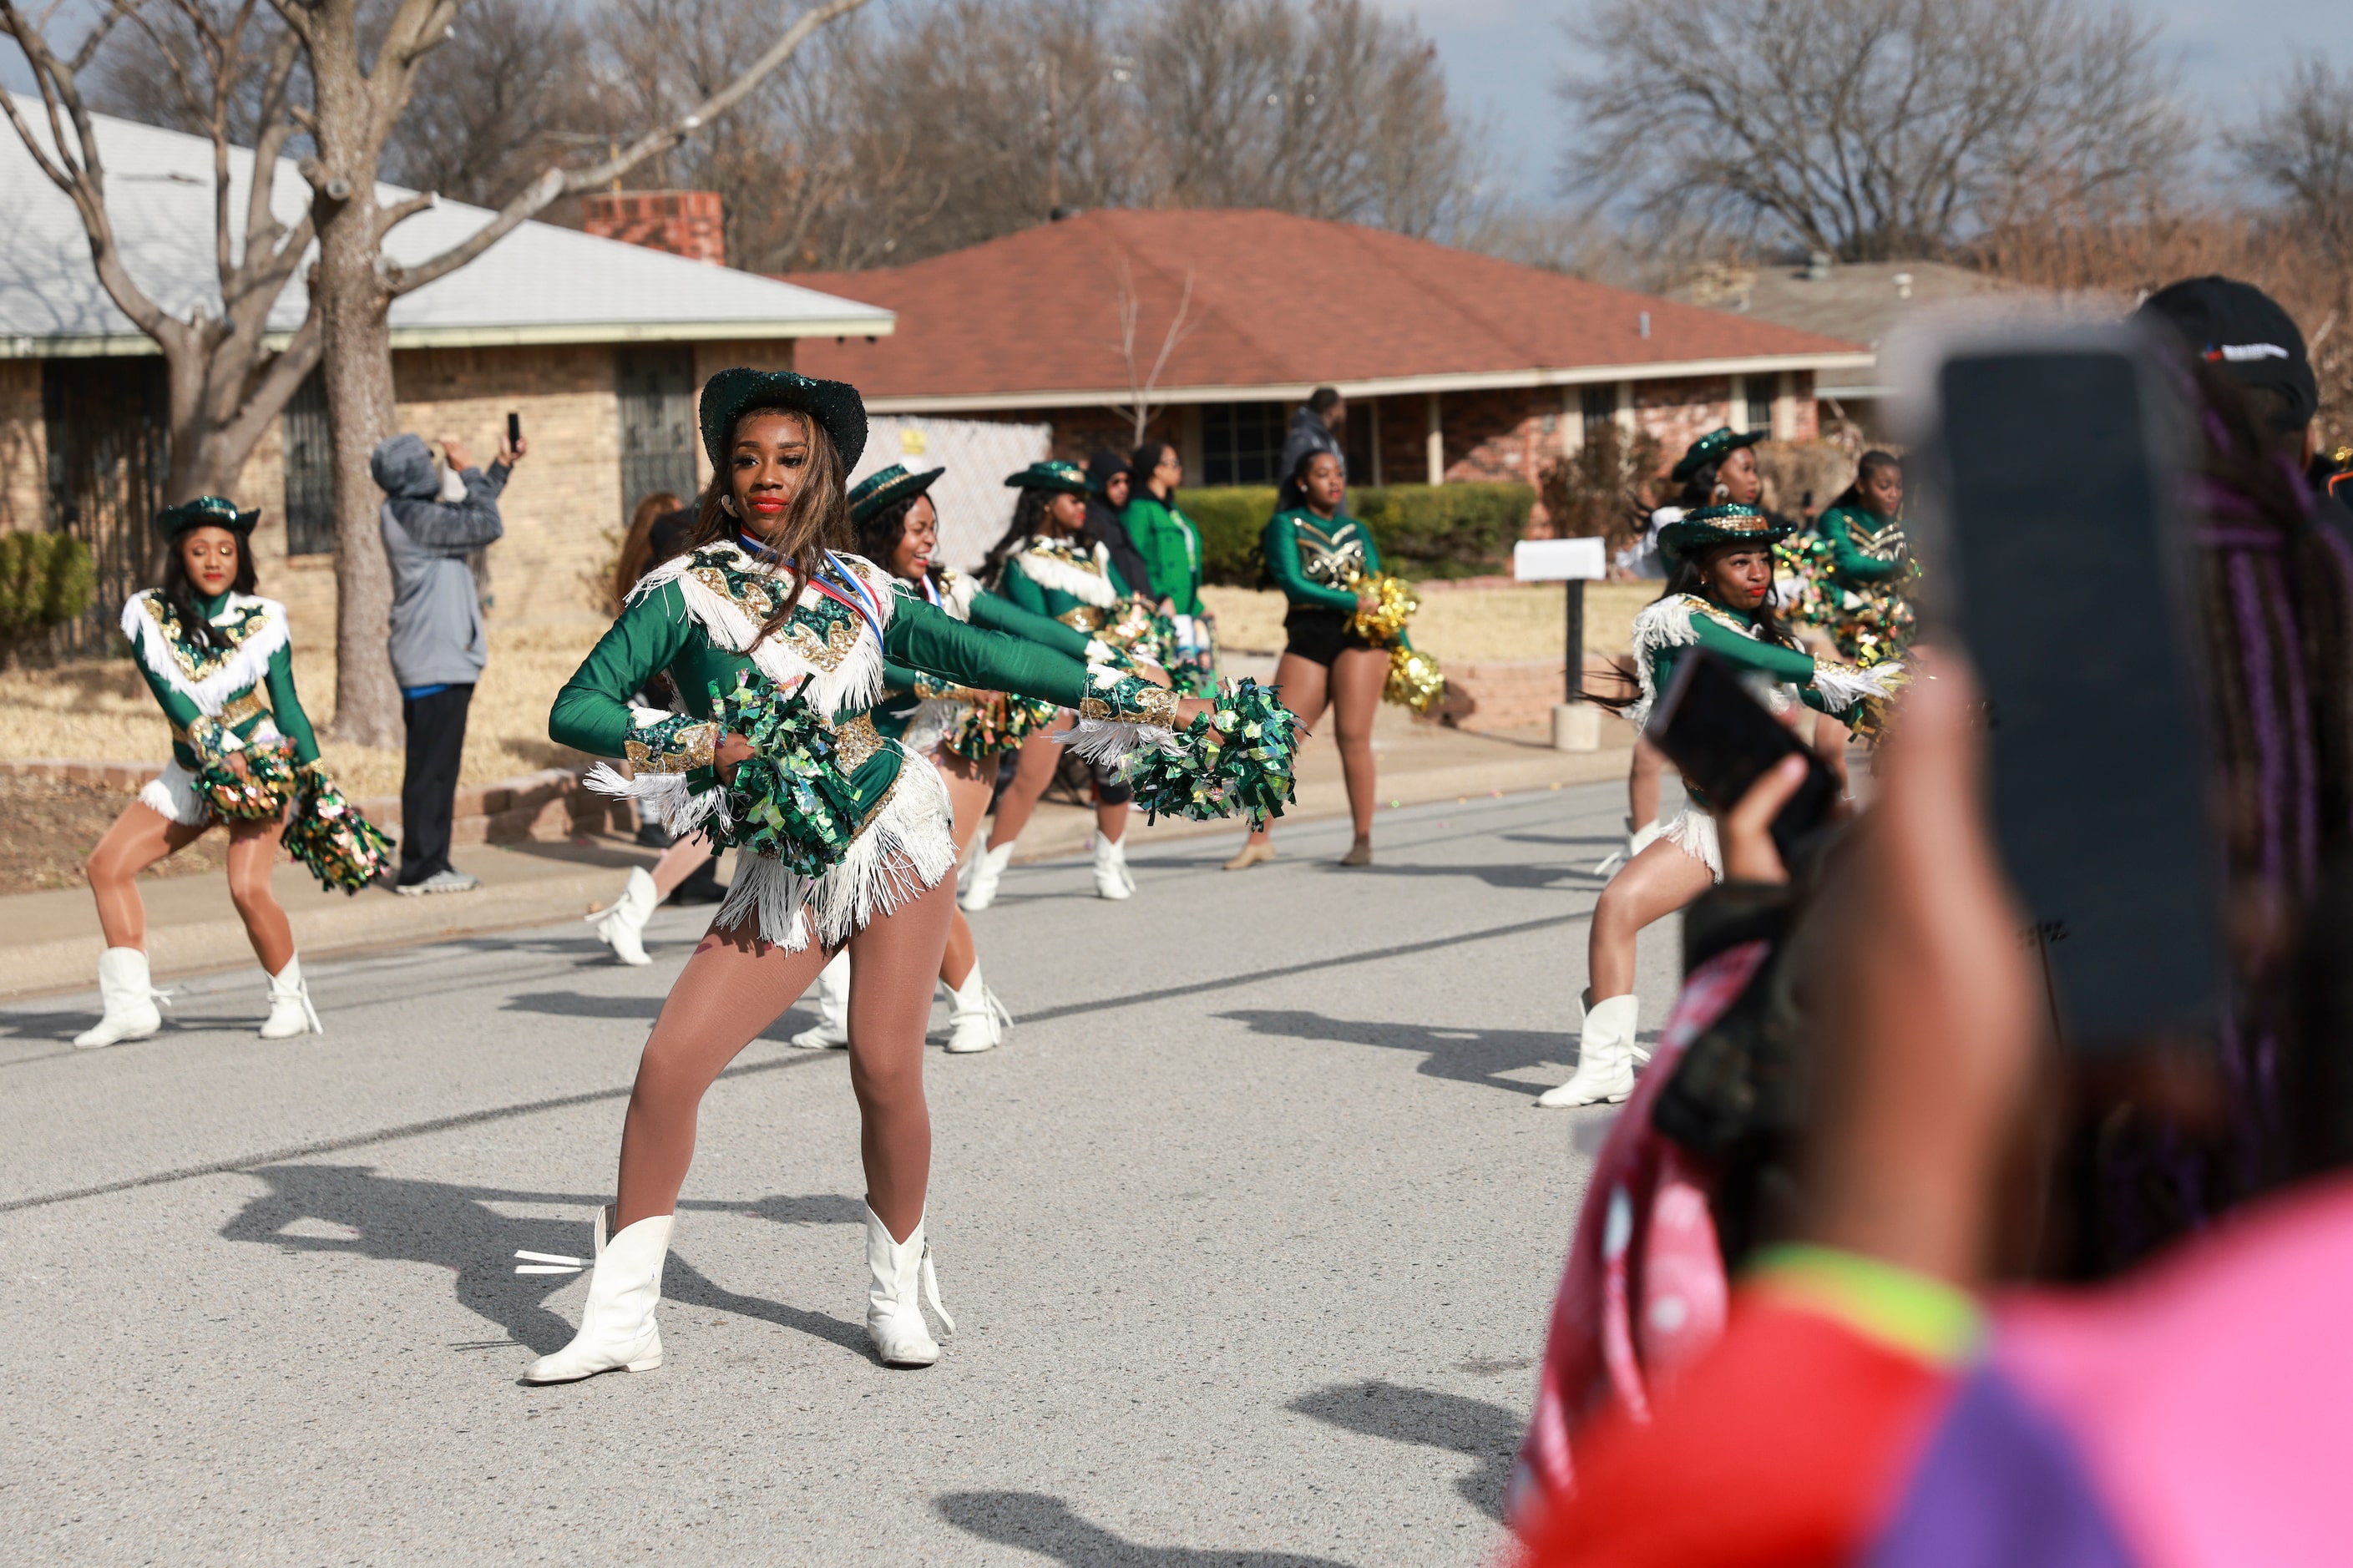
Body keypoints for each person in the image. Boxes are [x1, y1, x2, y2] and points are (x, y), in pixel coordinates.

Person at [529, 368, 1242, 1378]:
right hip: (788, 866)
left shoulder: (862, 589)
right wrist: (710, 744)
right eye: (746, 461)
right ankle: (623, 1318)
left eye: (788, 459)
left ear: (819, 472)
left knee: (884, 1064)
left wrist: (1154, 699)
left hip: (897, 836)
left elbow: (993, 654)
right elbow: (579, 707)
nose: (766, 476)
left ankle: (894, 1291)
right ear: (724, 481)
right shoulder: (682, 593)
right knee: (669, 1064)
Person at [1540, 504, 1893, 1110]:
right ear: (1704, 571)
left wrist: (1893, 704)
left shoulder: (1772, 641)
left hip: (1784, 831)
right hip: (1709, 825)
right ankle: (1606, 1067)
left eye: (1764, 559)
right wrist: (1834, 670)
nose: (1758, 572)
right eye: (1740, 561)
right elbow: (1750, 657)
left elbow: (1838, 701)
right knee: (1618, 907)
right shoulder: (1677, 619)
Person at [790, 461, 1126, 1054]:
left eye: (933, 527)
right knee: (833, 877)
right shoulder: (849, 597)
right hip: (871, 753)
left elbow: (1027, 628)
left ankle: (973, 1007)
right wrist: (938, 681)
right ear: (881, 532)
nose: (930, 541)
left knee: (922, 876)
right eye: (917, 528)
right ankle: (839, 1010)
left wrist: (1104, 656)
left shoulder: (948, 588)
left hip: (955, 745)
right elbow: (870, 671)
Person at [75, 498, 340, 1045]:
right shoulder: (148, 614)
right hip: (195, 769)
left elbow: (286, 705)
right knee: (107, 866)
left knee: (246, 888)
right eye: (200, 550)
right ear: (181, 556)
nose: (214, 560)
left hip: (259, 770)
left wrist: (314, 776)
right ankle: (129, 1008)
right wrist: (218, 753)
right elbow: (173, 698)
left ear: (240, 556)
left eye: (226, 549)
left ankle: (289, 1000)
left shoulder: (263, 617)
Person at [963, 459, 1156, 910]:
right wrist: (1088, 649)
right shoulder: (1023, 559)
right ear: (1047, 503)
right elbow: (1036, 627)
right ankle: (987, 868)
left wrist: (1134, 624)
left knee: (1114, 774)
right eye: (1074, 499)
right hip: (1052, 678)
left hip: (1106, 675)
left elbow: (1127, 604)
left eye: (1085, 499)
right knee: (1032, 777)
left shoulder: (1097, 554)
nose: (1083, 508)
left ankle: (1109, 863)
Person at [582, 490, 732, 968]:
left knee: (730, 821)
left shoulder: (681, 581)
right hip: (688, 721)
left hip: (705, 719)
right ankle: (635, 905)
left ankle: (636, 904)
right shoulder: (672, 590)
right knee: (723, 817)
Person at [373, 427, 524, 895]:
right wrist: (468, 467)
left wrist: (499, 467)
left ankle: (430, 862)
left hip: (436, 656)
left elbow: (472, 514)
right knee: (430, 770)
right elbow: (486, 525)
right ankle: (421, 868)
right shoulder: (415, 517)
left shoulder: (412, 514)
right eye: (428, 457)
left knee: (436, 767)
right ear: (413, 471)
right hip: (433, 659)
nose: (436, 461)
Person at [1226, 448, 1385, 870]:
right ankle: (1258, 841)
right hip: (1311, 635)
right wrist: (1353, 600)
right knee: (1276, 736)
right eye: (1322, 474)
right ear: (1302, 482)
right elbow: (1295, 586)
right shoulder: (1284, 525)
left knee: (1353, 736)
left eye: (1339, 473)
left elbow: (1381, 588)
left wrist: (1406, 646)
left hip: (1362, 640)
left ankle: (1362, 840)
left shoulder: (1356, 528)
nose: (1334, 481)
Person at [1790, 450, 1914, 667]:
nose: (1893, 494)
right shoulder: (1836, 519)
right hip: (1846, 633)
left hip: (1897, 629)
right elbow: (1850, 564)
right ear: (1861, 486)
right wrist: (1903, 567)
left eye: (1899, 486)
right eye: (1884, 486)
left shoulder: (1904, 527)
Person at [1124, 440, 1217, 693]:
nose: (1179, 468)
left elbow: (1186, 565)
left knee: (1202, 686)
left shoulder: (1173, 510)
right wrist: (1159, 596)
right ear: (1155, 469)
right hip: (1161, 614)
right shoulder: (1140, 509)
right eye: (1173, 463)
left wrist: (1198, 605)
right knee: (1177, 691)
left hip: (1187, 613)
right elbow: (1133, 561)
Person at [1081, 448, 1152, 592]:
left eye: (1127, 481)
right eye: (1115, 482)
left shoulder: (1115, 517)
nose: (1123, 488)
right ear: (1101, 483)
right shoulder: (1095, 521)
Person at [1275, 387, 1346, 513]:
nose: (1344, 413)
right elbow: (1289, 487)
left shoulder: (1327, 439)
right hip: (1306, 525)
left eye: (1338, 474)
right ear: (1332, 411)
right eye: (1342, 407)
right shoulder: (1303, 439)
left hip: (1331, 522)